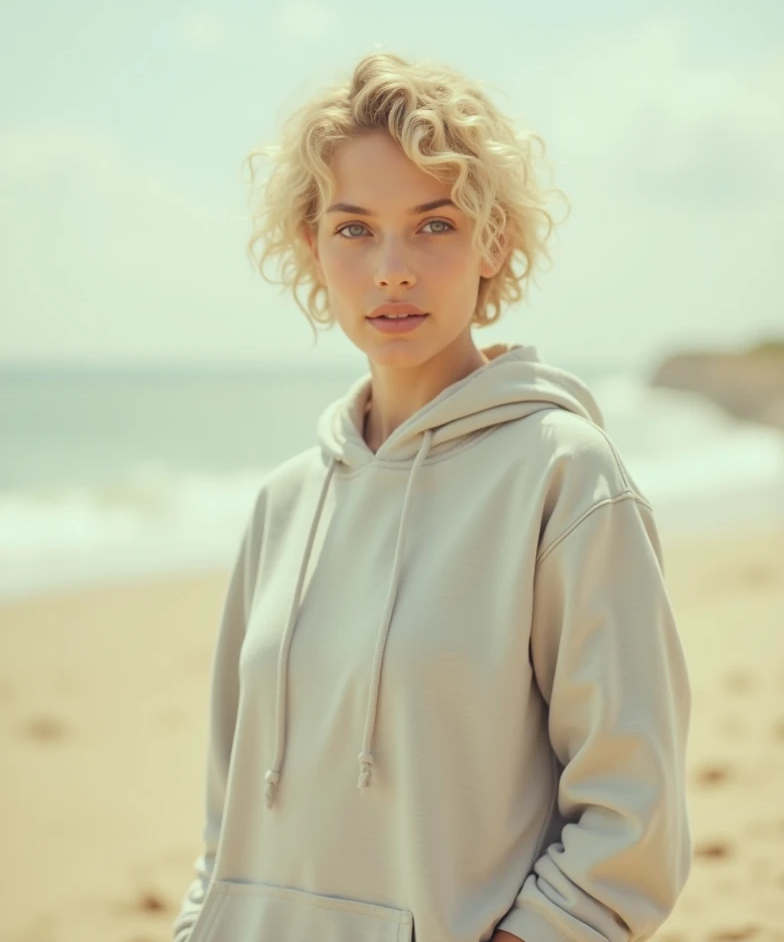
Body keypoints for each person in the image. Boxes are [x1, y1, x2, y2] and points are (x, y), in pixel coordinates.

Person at [172, 52, 692, 942]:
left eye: (435, 224)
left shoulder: (564, 475)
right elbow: (227, 827)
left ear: (493, 241)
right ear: (312, 245)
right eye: (354, 229)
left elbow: (634, 813)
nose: (393, 269)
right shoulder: (283, 505)